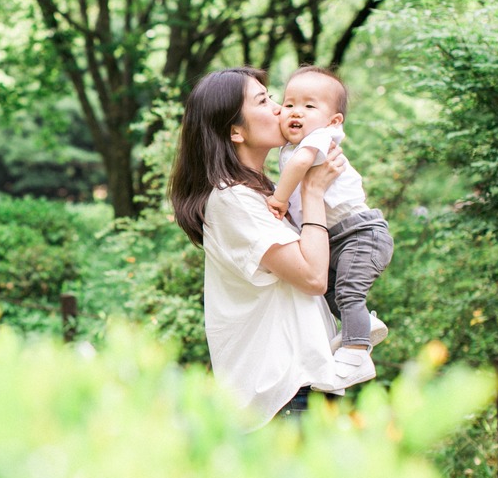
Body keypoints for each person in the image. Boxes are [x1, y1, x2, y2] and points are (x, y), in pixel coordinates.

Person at [168, 67, 374, 429]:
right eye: (265, 101)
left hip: (302, 384)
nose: (281, 109)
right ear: (235, 131)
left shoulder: (263, 190)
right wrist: (312, 192)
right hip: (281, 393)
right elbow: (312, 276)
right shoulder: (232, 200)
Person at [266, 66, 393, 371]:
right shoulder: (292, 146)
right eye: (289, 103)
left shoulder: (320, 139)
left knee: (348, 290)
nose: (296, 112)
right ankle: (364, 325)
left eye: (309, 106)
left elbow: (301, 165)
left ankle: (356, 352)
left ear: (334, 120)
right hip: (336, 237)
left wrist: (278, 199)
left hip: (360, 233)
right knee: (329, 292)